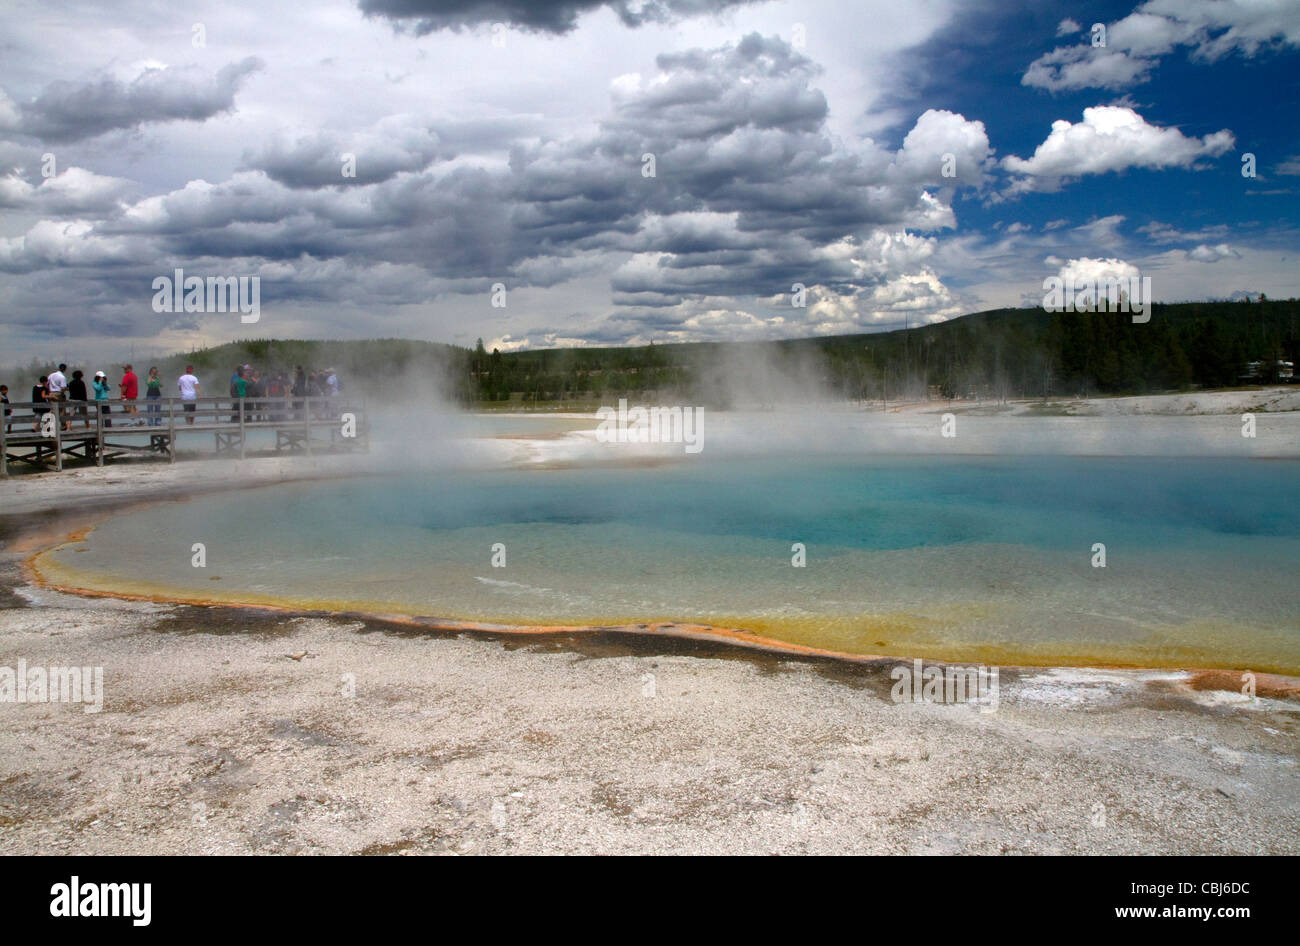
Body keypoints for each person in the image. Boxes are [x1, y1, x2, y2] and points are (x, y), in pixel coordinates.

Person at [46, 363, 69, 431]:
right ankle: (63, 426)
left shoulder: (51, 375)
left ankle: (48, 425)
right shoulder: (62, 377)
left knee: (52, 410)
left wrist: (49, 391)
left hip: (51, 393)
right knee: (61, 410)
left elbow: (47, 384)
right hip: (59, 394)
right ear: (64, 369)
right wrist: (67, 389)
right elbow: (63, 388)